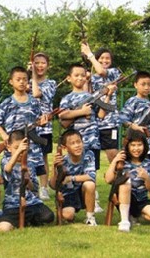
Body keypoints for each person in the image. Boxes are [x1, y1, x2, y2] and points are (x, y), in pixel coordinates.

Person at [0, 66, 49, 182]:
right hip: (14, 145)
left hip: (32, 145)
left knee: (32, 177)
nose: (22, 82)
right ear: (11, 82)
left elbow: (39, 120)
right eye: (18, 79)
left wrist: (42, 123)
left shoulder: (34, 102)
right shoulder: (7, 102)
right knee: (12, 175)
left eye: (24, 79)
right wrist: (4, 135)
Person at [57, 64, 102, 203]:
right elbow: (62, 116)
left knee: (92, 170)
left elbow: (101, 115)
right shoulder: (67, 98)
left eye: (83, 75)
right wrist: (81, 112)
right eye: (76, 75)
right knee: (76, 169)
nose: (80, 78)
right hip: (76, 142)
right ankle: (74, 195)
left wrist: (108, 95)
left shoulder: (92, 96)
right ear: (69, 78)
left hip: (92, 140)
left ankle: (93, 197)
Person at [105, 130, 150, 232]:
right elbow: (108, 179)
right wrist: (115, 160)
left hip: (141, 200)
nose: (136, 148)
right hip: (123, 198)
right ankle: (124, 221)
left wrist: (146, 178)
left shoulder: (149, 164)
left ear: (144, 146)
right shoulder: (122, 162)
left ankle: (135, 216)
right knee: (126, 183)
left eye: (139, 145)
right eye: (133, 145)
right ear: (128, 146)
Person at [0, 130, 54, 231]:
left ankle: (27, 220)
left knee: (48, 216)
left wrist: (27, 179)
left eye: (24, 149)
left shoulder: (30, 164)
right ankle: (6, 216)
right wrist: (19, 151)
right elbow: (7, 169)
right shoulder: (6, 161)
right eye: (16, 148)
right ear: (9, 147)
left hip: (32, 202)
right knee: (3, 228)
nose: (21, 152)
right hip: (13, 204)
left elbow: (33, 188)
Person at [50, 129, 98, 226]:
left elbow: (91, 176)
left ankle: (90, 218)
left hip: (82, 191)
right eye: (72, 143)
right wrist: (54, 168)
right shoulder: (63, 161)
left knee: (90, 184)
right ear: (64, 147)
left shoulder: (88, 154)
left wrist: (71, 178)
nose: (77, 145)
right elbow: (53, 186)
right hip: (68, 194)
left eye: (79, 142)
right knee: (68, 216)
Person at [29, 52, 57, 201]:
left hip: (44, 127)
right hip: (29, 126)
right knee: (28, 156)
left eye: (43, 63)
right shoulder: (25, 81)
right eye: (37, 63)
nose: (40, 66)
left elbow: (36, 93)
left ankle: (44, 187)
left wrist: (33, 76)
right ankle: (30, 187)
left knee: (43, 157)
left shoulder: (50, 83)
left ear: (48, 66)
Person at [118, 71, 150, 160]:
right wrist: (134, 126)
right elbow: (123, 118)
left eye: (149, 85)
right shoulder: (132, 101)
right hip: (137, 144)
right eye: (143, 84)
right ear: (135, 85)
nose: (146, 87)